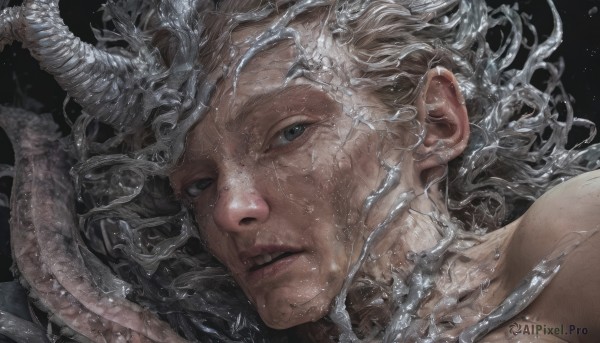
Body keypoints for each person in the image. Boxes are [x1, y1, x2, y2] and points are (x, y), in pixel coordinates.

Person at [0, 0, 599, 342]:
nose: (232, 212)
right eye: (199, 184)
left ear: (435, 123)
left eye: (290, 133)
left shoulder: (568, 250)